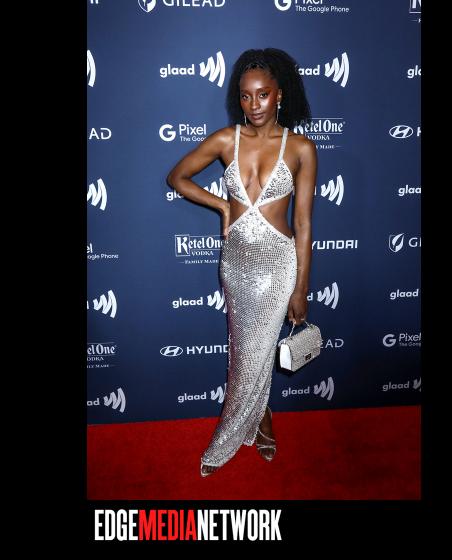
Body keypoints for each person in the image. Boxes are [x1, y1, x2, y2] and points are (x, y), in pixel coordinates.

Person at [166, 48, 317, 477]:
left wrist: (301, 288)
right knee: (244, 351)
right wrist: (222, 205)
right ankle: (261, 418)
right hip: (236, 267)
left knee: (257, 352)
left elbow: (303, 223)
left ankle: (228, 438)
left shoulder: (300, 148)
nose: (254, 105)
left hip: (278, 266)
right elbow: (177, 177)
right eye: (246, 96)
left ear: (280, 94)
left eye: (263, 94)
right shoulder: (225, 140)